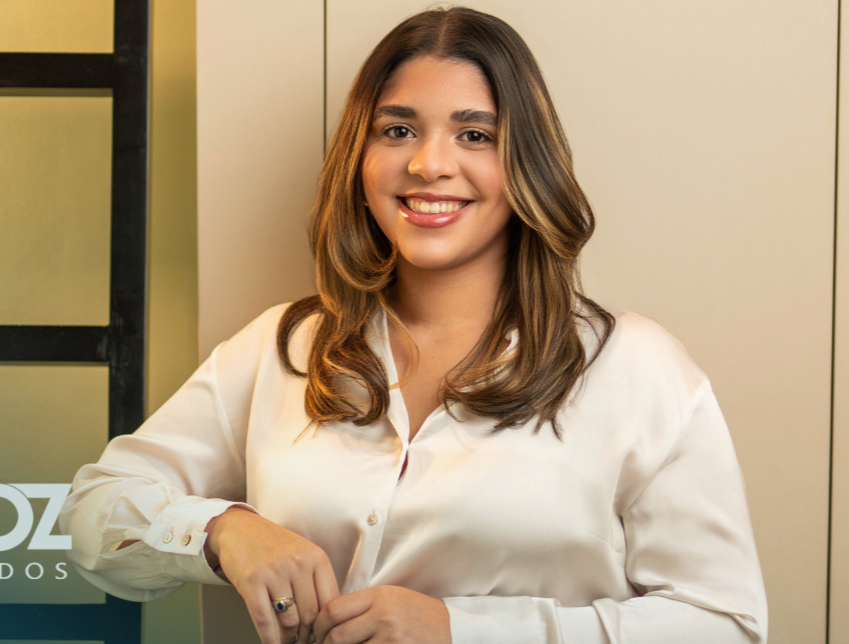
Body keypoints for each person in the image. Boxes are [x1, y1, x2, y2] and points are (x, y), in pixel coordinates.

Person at [59, 7, 768, 644]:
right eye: (398, 130)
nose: (429, 165)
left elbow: (724, 624)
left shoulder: (631, 366)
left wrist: (463, 632)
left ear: (527, 162)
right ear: (360, 158)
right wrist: (223, 532)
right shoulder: (283, 349)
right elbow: (94, 515)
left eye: (475, 134)